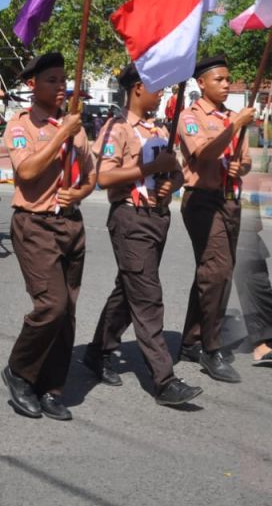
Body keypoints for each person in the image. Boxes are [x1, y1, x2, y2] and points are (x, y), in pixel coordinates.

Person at [85, 63, 203, 406]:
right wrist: (151, 168)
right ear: (138, 87)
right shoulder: (116, 128)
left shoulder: (159, 129)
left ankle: (97, 351)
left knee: (130, 289)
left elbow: (177, 173)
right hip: (130, 219)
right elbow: (105, 178)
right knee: (148, 297)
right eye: (158, 87)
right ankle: (164, 381)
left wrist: (169, 184)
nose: (163, 93)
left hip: (157, 218)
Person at [1, 53, 95, 421]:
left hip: (71, 223)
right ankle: (20, 372)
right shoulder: (21, 124)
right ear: (32, 85)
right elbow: (26, 171)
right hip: (35, 223)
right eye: (52, 80)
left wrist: (80, 193)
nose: (61, 87)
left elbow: (90, 175)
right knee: (51, 306)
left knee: (68, 312)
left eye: (63, 80)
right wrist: (61, 134)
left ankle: (52, 387)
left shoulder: (74, 127)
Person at [176, 54, 256, 384]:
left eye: (227, 79)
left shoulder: (235, 117)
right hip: (202, 201)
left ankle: (191, 339)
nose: (226, 85)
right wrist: (234, 126)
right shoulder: (189, 117)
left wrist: (241, 167)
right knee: (218, 272)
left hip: (230, 200)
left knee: (211, 272)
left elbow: (246, 160)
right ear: (201, 83)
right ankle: (212, 348)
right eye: (219, 80)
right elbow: (204, 153)